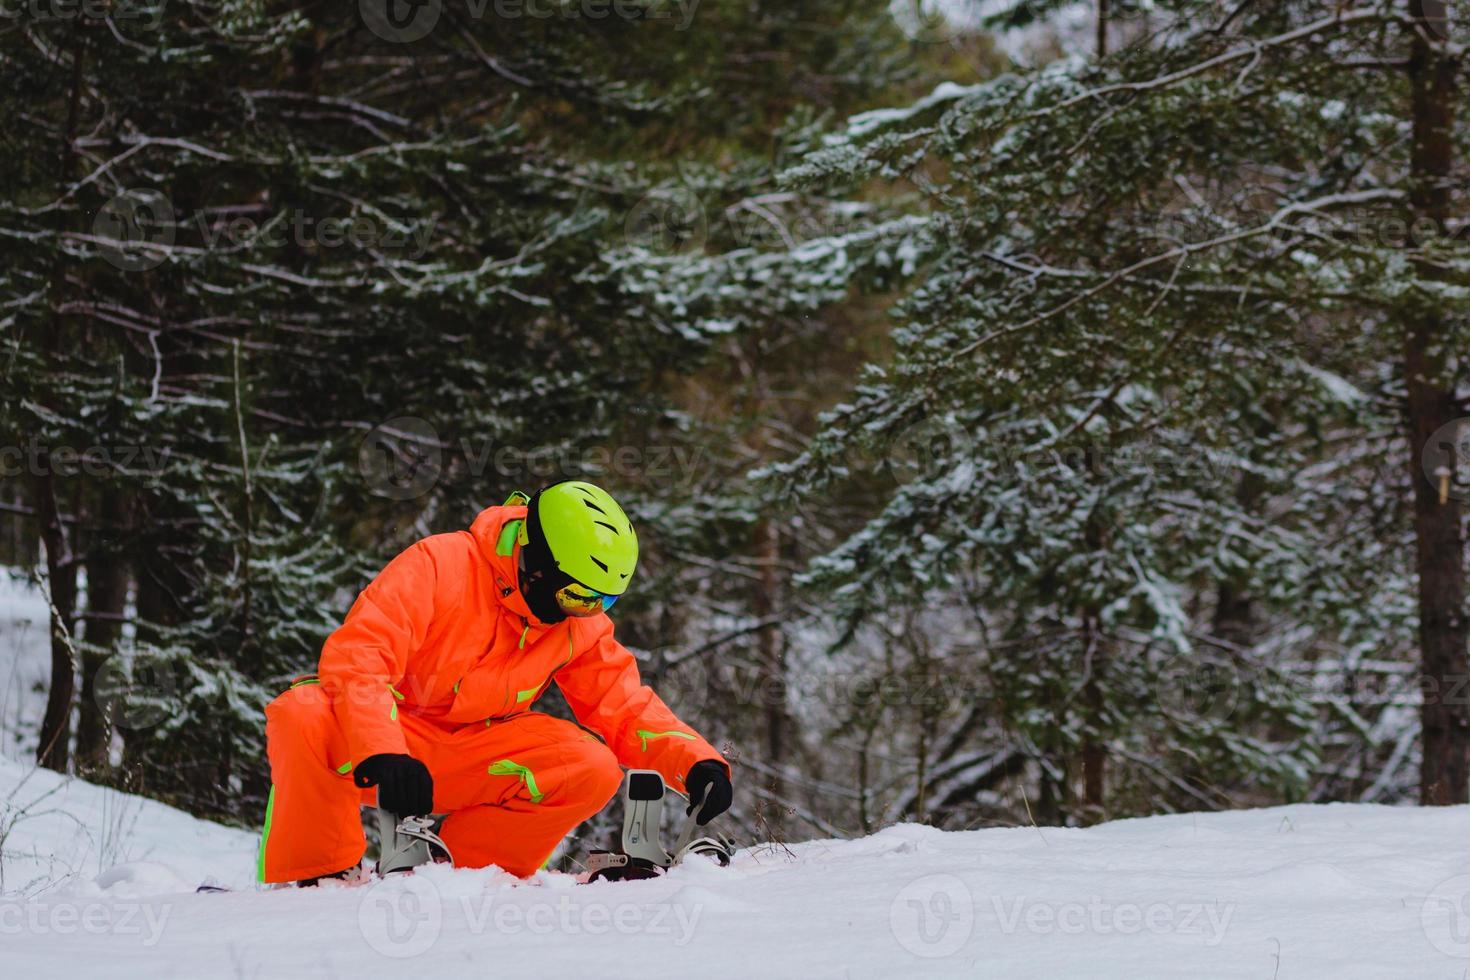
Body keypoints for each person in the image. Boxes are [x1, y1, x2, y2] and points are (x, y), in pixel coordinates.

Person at [256, 480, 732, 883]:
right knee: (303, 711)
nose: (586, 611)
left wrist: (695, 762)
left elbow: (622, 703)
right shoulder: (440, 565)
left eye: (603, 602)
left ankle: (468, 876)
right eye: (580, 596)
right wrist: (383, 750)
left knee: (590, 765)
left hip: (475, 753)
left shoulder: (575, 626)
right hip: (390, 745)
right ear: (539, 564)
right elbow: (359, 658)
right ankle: (319, 877)